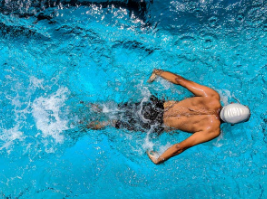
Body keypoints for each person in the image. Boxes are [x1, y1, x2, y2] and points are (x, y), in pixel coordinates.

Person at [87, 69, 251, 164]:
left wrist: (158, 72)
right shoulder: (213, 130)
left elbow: (180, 80)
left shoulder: (212, 96)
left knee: (113, 108)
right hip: (156, 124)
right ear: (233, 123)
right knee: (112, 123)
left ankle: (89, 106)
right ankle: (83, 125)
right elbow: (180, 146)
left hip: (156, 106)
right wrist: (160, 158)